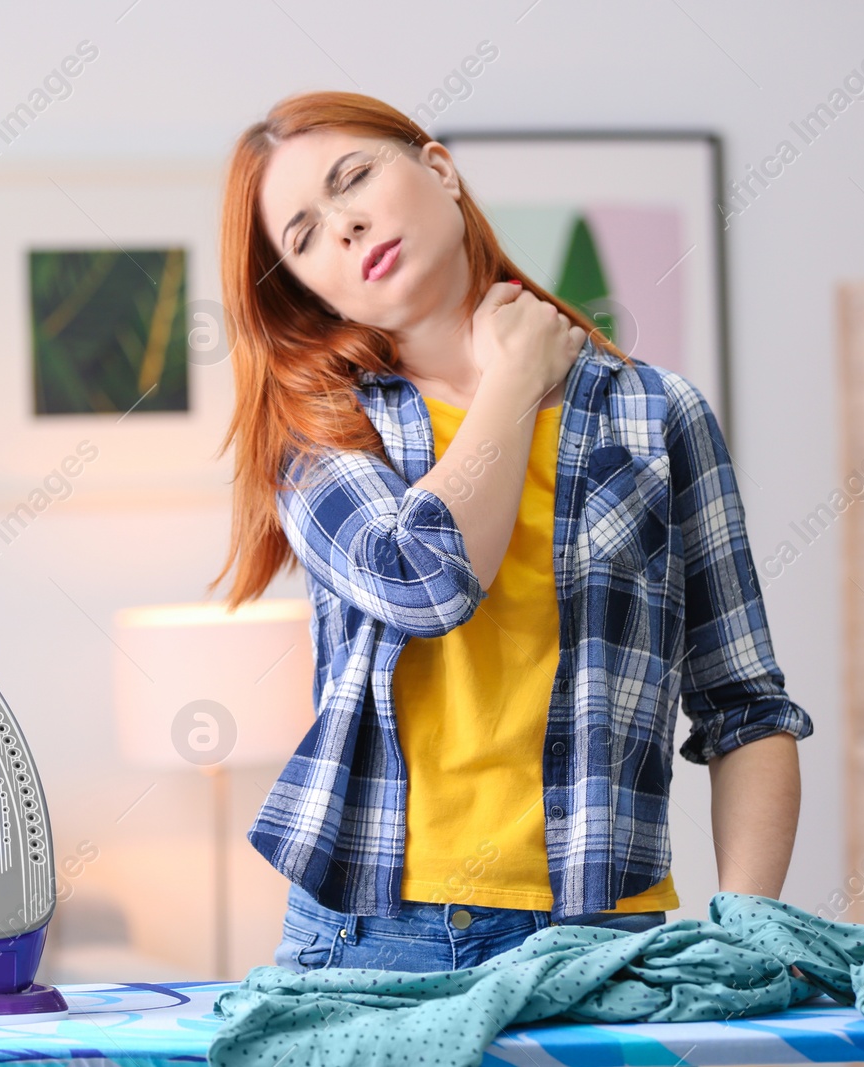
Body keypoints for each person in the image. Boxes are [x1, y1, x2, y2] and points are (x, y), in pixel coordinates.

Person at [206, 90, 814, 974]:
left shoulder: (659, 414)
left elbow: (747, 706)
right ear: (306, 286)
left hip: (605, 934)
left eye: (354, 178)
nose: (344, 226)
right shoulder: (318, 432)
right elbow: (429, 582)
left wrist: (744, 935)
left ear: (440, 170)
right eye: (303, 236)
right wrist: (516, 374)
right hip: (378, 934)